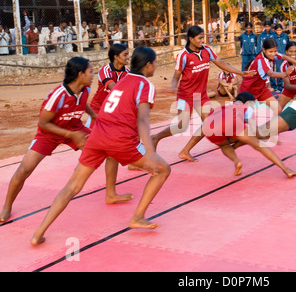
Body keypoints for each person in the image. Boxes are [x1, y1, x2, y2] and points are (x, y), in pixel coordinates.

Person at [31, 47, 171, 245]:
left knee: (72, 186)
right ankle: (137, 216)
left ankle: (38, 233)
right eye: (155, 63)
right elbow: (142, 120)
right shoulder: (144, 85)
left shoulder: (122, 81)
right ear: (148, 65)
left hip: (98, 136)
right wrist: (149, 150)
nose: (156, 66)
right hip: (120, 139)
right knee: (163, 169)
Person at [0, 57, 96, 223]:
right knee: (24, 169)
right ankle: (7, 206)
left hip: (74, 127)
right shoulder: (57, 96)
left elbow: (82, 102)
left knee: (103, 149)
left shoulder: (85, 89)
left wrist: (94, 115)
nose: (93, 75)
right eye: (90, 71)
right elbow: (43, 123)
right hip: (49, 133)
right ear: (80, 74)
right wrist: (70, 135)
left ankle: (110, 193)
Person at [151, 25, 255, 162]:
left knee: (209, 124)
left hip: (201, 95)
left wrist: (241, 73)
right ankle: (156, 137)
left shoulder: (207, 50)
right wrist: (173, 86)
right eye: (199, 38)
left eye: (203, 37)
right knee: (181, 126)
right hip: (185, 95)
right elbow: (176, 75)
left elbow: (221, 63)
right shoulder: (183, 55)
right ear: (191, 39)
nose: (202, 40)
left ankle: (185, 151)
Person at [202, 92, 296, 178]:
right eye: (254, 104)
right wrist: (267, 136)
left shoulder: (224, 106)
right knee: (258, 144)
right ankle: (286, 169)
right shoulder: (246, 108)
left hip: (208, 126)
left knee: (224, 145)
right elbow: (255, 131)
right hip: (230, 120)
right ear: (249, 102)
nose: (254, 106)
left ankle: (236, 161)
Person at [87, 43, 134, 203]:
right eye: (126, 54)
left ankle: (110, 192)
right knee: (87, 147)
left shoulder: (127, 72)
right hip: (97, 112)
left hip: (113, 114)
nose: (128, 57)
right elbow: (115, 89)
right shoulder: (105, 71)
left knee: (110, 153)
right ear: (116, 57)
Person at [238, 38, 296, 115]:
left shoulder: (272, 55)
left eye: (275, 51)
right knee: (245, 114)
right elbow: (271, 74)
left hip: (261, 88)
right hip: (249, 89)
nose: (273, 54)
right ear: (264, 50)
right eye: (270, 52)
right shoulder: (261, 60)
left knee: (277, 109)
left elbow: (284, 57)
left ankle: (273, 126)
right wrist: (285, 74)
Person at [271, 23, 290, 92]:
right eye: (277, 30)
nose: (279, 32)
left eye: (280, 30)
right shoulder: (273, 37)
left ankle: (286, 86)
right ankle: (279, 86)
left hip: (285, 56)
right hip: (277, 57)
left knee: (286, 71)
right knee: (279, 70)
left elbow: (288, 45)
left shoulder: (285, 36)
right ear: (275, 30)